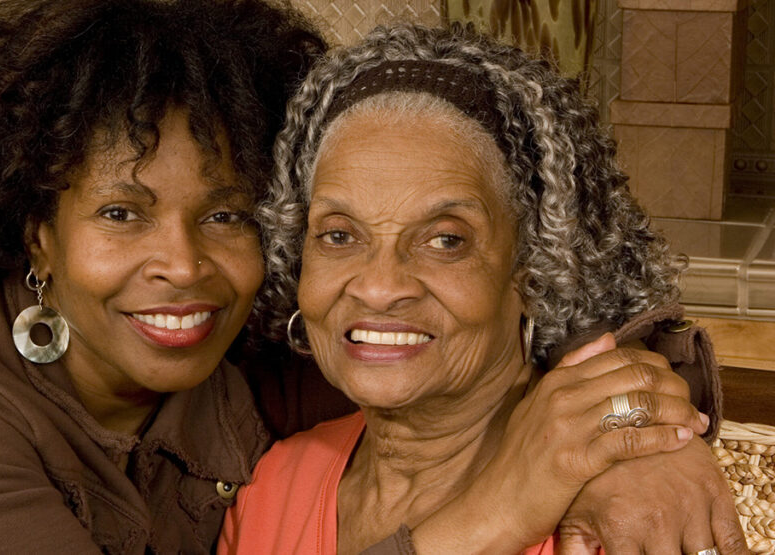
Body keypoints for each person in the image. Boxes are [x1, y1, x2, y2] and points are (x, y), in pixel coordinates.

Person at [0, 1, 742, 553]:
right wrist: (501, 506)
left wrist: (639, 438)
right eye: (120, 213)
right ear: (35, 232)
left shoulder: (246, 347)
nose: (181, 266)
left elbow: (490, 333)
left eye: (226, 214)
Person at [221, 22, 743, 554]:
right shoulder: (272, 489)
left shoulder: (622, 518)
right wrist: (490, 517)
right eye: (338, 235)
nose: (379, 287)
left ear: (533, 267)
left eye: (446, 240)